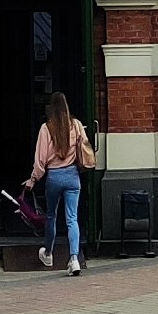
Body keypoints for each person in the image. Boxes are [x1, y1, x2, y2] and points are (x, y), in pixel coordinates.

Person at [25, 90, 95, 276]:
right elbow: (85, 146)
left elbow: (40, 160)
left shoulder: (46, 128)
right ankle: (74, 259)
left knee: (51, 216)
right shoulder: (76, 125)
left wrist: (33, 179)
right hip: (73, 176)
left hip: (54, 177)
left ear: (51, 108)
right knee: (72, 218)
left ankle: (48, 253)